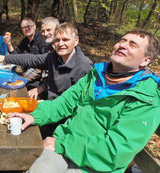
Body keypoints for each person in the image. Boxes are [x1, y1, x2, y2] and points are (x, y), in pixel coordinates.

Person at [11, 29, 160, 173]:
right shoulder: (96, 74)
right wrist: (34, 115)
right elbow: (64, 103)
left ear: (145, 60)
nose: (123, 45)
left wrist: (62, 144)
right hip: (63, 145)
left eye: (132, 45)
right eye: (122, 41)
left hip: (96, 165)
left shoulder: (146, 97)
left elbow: (116, 150)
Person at [0, 22, 93, 100]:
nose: (60, 44)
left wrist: (44, 105)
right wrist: (4, 58)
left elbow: (79, 102)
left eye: (65, 40)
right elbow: (32, 59)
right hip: (49, 106)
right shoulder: (54, 56)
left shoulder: (84, 67)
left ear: (76, 41)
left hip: (64, 117)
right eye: (57, 40)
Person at [4, 17, 49, 90]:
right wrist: (9, 44)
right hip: (26, 71)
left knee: (15, 86)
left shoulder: (41, 39)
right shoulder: (25, 41)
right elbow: (16, 56)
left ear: (34, 27)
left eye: (28, 26)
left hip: (39, 80)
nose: (26, 29)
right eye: (23, 27)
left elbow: (43, 65)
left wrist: (22, 79)